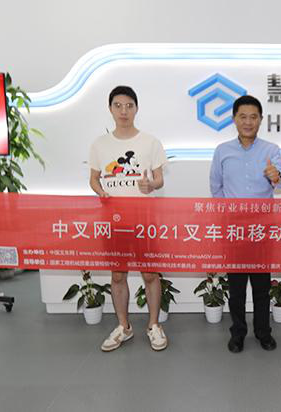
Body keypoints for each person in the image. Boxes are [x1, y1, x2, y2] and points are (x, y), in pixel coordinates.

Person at [89, 86, 168, 351]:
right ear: (110, 109)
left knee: (150, 274)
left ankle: (154, 325)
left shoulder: (150, 142)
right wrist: (100, 191)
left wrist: (151, 185)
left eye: (129, 106)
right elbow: (94, 179)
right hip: (114, 221)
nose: (124, 111)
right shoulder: (99, 144)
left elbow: (159, 179)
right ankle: (124, 326)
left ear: (136, 108)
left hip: (144, 220)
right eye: (118, 105)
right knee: (117, 275)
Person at [210, 95, 281, 353]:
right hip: (234, 229)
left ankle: (263, 332)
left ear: (260, 120)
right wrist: (227, 216)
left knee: (262, 286)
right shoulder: (222, 150)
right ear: (234, 119)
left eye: (253, 117)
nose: (248, 122)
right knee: (236, 287)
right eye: (242, 116)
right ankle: (238, 333)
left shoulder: (270, 150)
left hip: (261, 229)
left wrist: (276, 175)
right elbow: (216, 187)